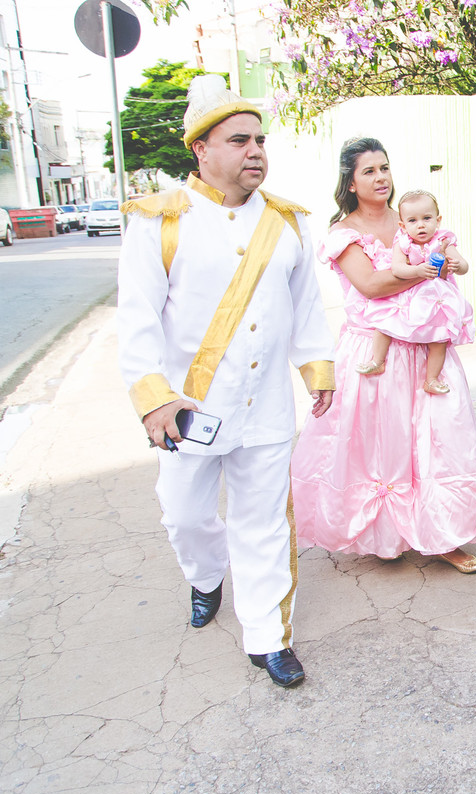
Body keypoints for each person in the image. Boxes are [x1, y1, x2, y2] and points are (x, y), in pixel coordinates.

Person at [116, 74, 336, 688]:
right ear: (201, 150)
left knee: (263, 521)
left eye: (260, 139)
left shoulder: (288, 222)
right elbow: (136, 321)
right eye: (239, 140)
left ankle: (267, 638)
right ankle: (206, 574)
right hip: (188, 410)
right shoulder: (160, 223)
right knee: (183, 514)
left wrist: (317, 366)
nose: (256, 151)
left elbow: (307, 303)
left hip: (264, 406)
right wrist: (153, 399)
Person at [290, 137, 476, 573]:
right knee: (385, 447)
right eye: (369, 171)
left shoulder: (412, 221)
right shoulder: (344, 233)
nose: (381, 178)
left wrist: (437, 267)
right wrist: (426, 273)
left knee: (439, 439)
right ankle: (388, 533)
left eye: (384, 168)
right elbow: (371, 285)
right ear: (351, 181)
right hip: (375, 350)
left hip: (425, 345)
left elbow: (450, 260)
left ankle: (442, 535)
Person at [357, 189, 476, 396]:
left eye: (427, 218)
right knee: (386, 321)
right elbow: (397, 268)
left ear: (437, 220)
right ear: (403, 225)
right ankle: (377, 360)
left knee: (439, 338)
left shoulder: (442, 241)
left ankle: (431, 379)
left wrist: (459, 265)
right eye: (412, 220)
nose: (421, 225)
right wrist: (418, 270)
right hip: (409, 291)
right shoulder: (403, 242)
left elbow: (464, 266)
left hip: (435, 296)